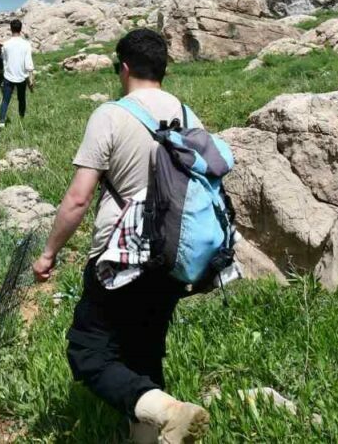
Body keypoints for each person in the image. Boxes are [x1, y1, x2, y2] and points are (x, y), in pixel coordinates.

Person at [31, 29, 210, 444]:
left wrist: (49, 252)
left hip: (119, 254)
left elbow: (78, 198)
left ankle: (168, 412)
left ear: (124, 68)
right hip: (173, 254)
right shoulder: (189, 116)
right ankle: (157, 431)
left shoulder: (110, 115)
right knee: (144, 350)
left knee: (88, 352)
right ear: (163, 70)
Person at [0, 19, 34, 129]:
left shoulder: (6, 44)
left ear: (11, 29)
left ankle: (1, 122)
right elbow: (28, 63)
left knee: (5, 100)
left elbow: (4, 59)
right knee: (21, 99)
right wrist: (31, 79)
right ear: (21, 29)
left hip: (8, 76)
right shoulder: (26, 44)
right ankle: (21, 119)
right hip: (22, 76)